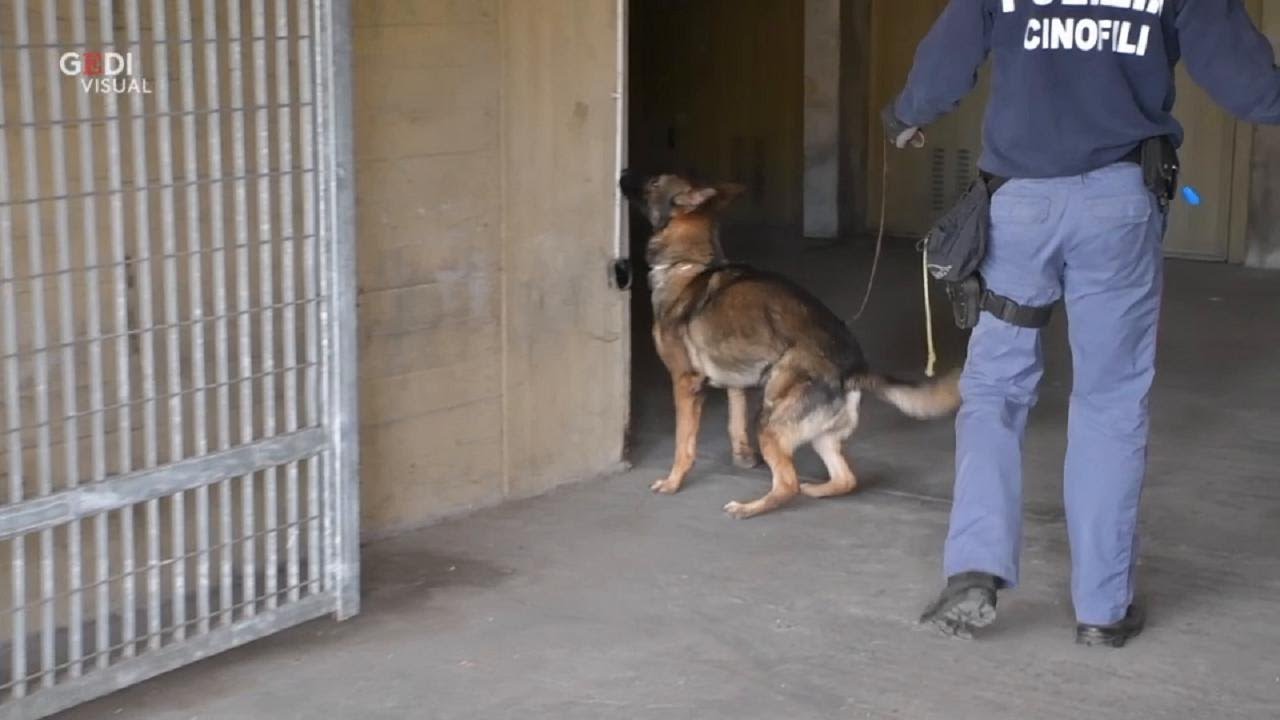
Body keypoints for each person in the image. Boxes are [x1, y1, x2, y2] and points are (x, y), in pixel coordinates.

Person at [881, 0, 1280, 647]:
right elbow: (1251, 86)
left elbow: (946, 61)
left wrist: (906, 116)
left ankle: (976, 565)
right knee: (1110, 401)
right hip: (1118, 210)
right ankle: (1102, 608)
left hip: (1022, 207)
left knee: (995, 389)